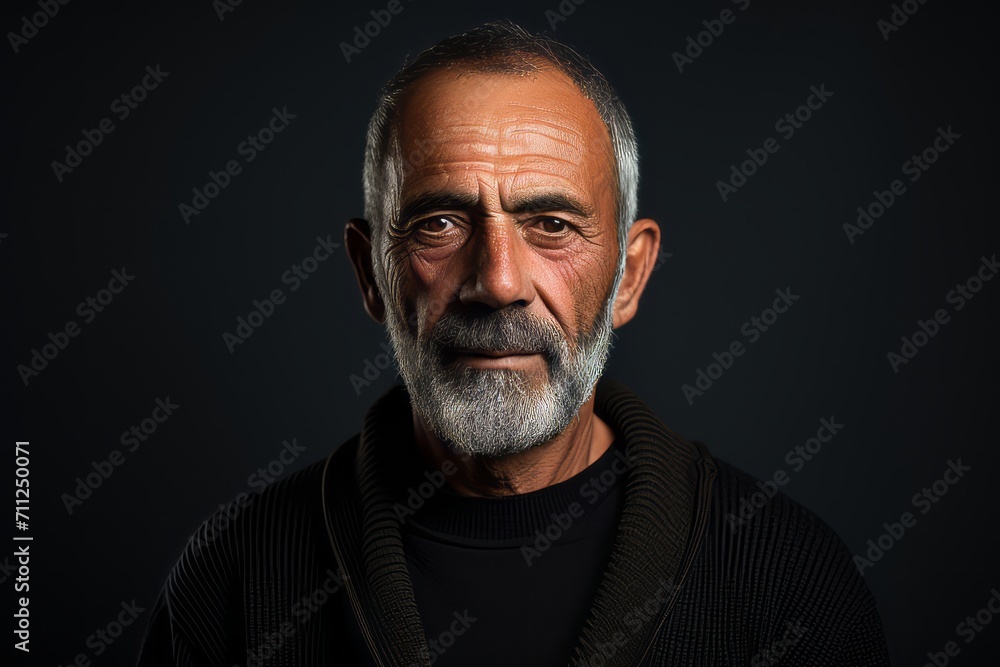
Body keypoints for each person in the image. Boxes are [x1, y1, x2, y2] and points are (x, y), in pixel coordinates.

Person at [137, 21, 889, 666]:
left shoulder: (787, 577)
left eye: (551, 225)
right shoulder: (236, 575)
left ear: (629, 275)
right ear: (370, 273)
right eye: (439, 222)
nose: (497, 281)